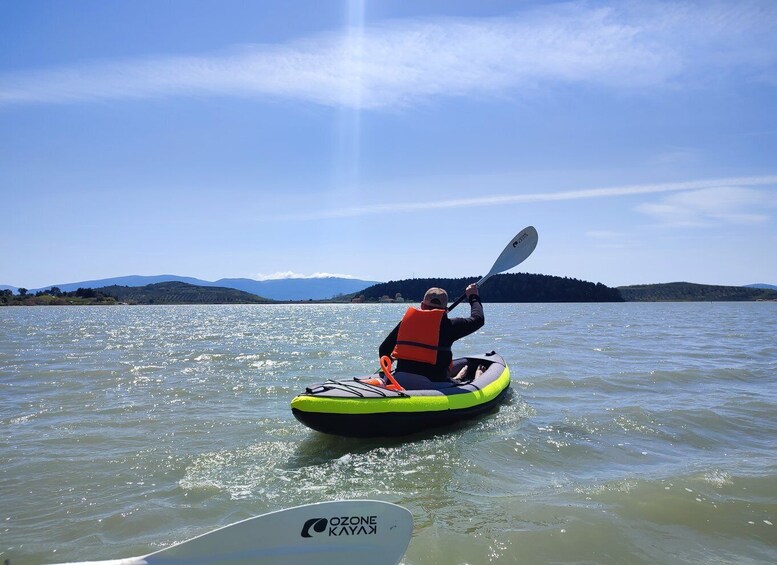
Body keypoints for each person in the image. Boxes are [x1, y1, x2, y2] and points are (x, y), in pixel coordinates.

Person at [378, 284, 484, 382]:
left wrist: (389, 368)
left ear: (422, 305)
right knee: (460, 375)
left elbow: (384, 349)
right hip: (434, 384)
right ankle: (462, 377)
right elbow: (478, 319)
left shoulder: (405, 324)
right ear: (445, 310)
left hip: (402, 379)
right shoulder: (450, 325)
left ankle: (459, 376)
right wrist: (473, 296)